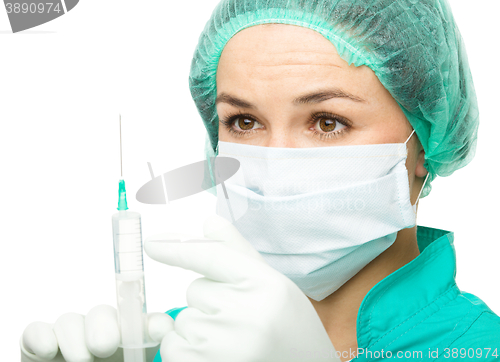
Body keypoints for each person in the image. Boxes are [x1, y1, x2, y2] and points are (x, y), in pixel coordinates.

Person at [20, 0, 500, 361]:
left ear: (425, 144)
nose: (275, 168)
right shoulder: (167, 343)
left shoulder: (483, 349)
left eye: (327, 122)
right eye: (244, 123)